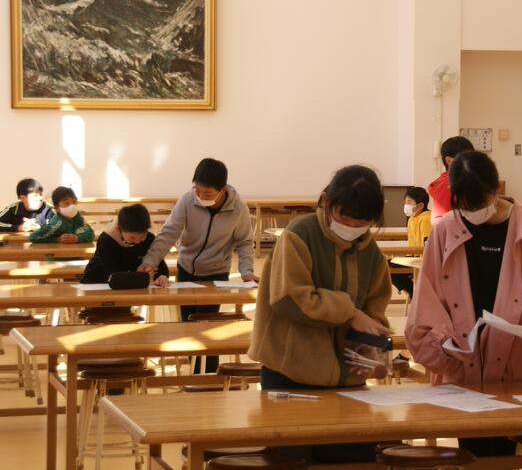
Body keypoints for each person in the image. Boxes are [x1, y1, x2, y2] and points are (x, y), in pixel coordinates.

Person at [405, 151, 522, 458]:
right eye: (465, 206)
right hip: (462, 367)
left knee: (506, 451)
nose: (472, 212)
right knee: (472, 451)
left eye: (479, 203)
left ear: (495, 189)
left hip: (518, 365)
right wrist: (440, 341)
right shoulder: (445, 230)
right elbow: (427, 302)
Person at [248, 165, 391, 464]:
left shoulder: (371, 251)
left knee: (351, 460)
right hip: (291, 372)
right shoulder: (299, 234)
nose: (352, 227)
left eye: (362, 222)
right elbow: (288, 297)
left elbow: (375, 306)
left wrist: (371, 345)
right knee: (291, 459)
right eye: (345, 218)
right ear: (326, 201)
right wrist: (349, 312)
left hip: (347, 380)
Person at [138, 158, 256, 373]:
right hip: (186, 270)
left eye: (207, 194)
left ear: (223, 190)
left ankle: (209, 378)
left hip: (216, 274)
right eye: (197, 190)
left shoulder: (238, 209)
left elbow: (244, 242)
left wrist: (246, 271)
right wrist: (150, 261)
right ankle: (194, 376)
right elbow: (169, 233)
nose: (200, 197)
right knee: (189, 327)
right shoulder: (187, 200)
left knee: (208, 329)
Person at [82, 204, 169, 285]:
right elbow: (115, 276)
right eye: (132, 237)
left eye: (142, 236)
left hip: (132, 285)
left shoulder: (149, 238)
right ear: (119, 229)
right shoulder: (106, 240)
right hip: (97, 283)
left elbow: (162, 270)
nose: (138, 241)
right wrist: (142, 276)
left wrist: (160, 277)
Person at [391, 187, 432, 297]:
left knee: (389, 267)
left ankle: (415, 295)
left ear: (420, 205)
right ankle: (414, 294)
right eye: (405, 202)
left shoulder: (426, 219)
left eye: (409, 202)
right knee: (386, 265)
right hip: (413, 257)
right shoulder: (412, 219)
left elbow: (427, 244)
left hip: (422, 260)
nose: (406, 205)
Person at [428, 136, 474, 220]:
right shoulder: (447, 184)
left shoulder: (466, 179)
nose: (470, 161)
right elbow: (439, 221)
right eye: (465, 158)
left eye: (472, 157)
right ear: (449, 161)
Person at [29, 186, 94, 244]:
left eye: (74, 202)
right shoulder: (56, 223)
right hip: (58, 253)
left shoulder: (78, 217)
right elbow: (33, 237)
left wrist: (77, 238)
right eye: (66, 203)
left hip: (76, 252)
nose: (72, 206)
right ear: (57, 208)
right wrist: (57, 239)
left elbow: (90, 233)